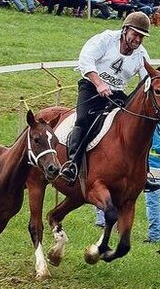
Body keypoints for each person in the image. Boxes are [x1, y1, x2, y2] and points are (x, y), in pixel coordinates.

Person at [58, 11, 153, 184]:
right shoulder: (106, 39)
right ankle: (72, 164)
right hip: (92, 87)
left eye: (142, 37)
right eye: (135, 35)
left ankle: (144, 173)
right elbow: (86, 59)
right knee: (83, 120)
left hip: (116, 94)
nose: (138, 40)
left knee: (139, 127)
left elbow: (147, 79)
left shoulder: (141, 55)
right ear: (125, 30)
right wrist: (99, 83)